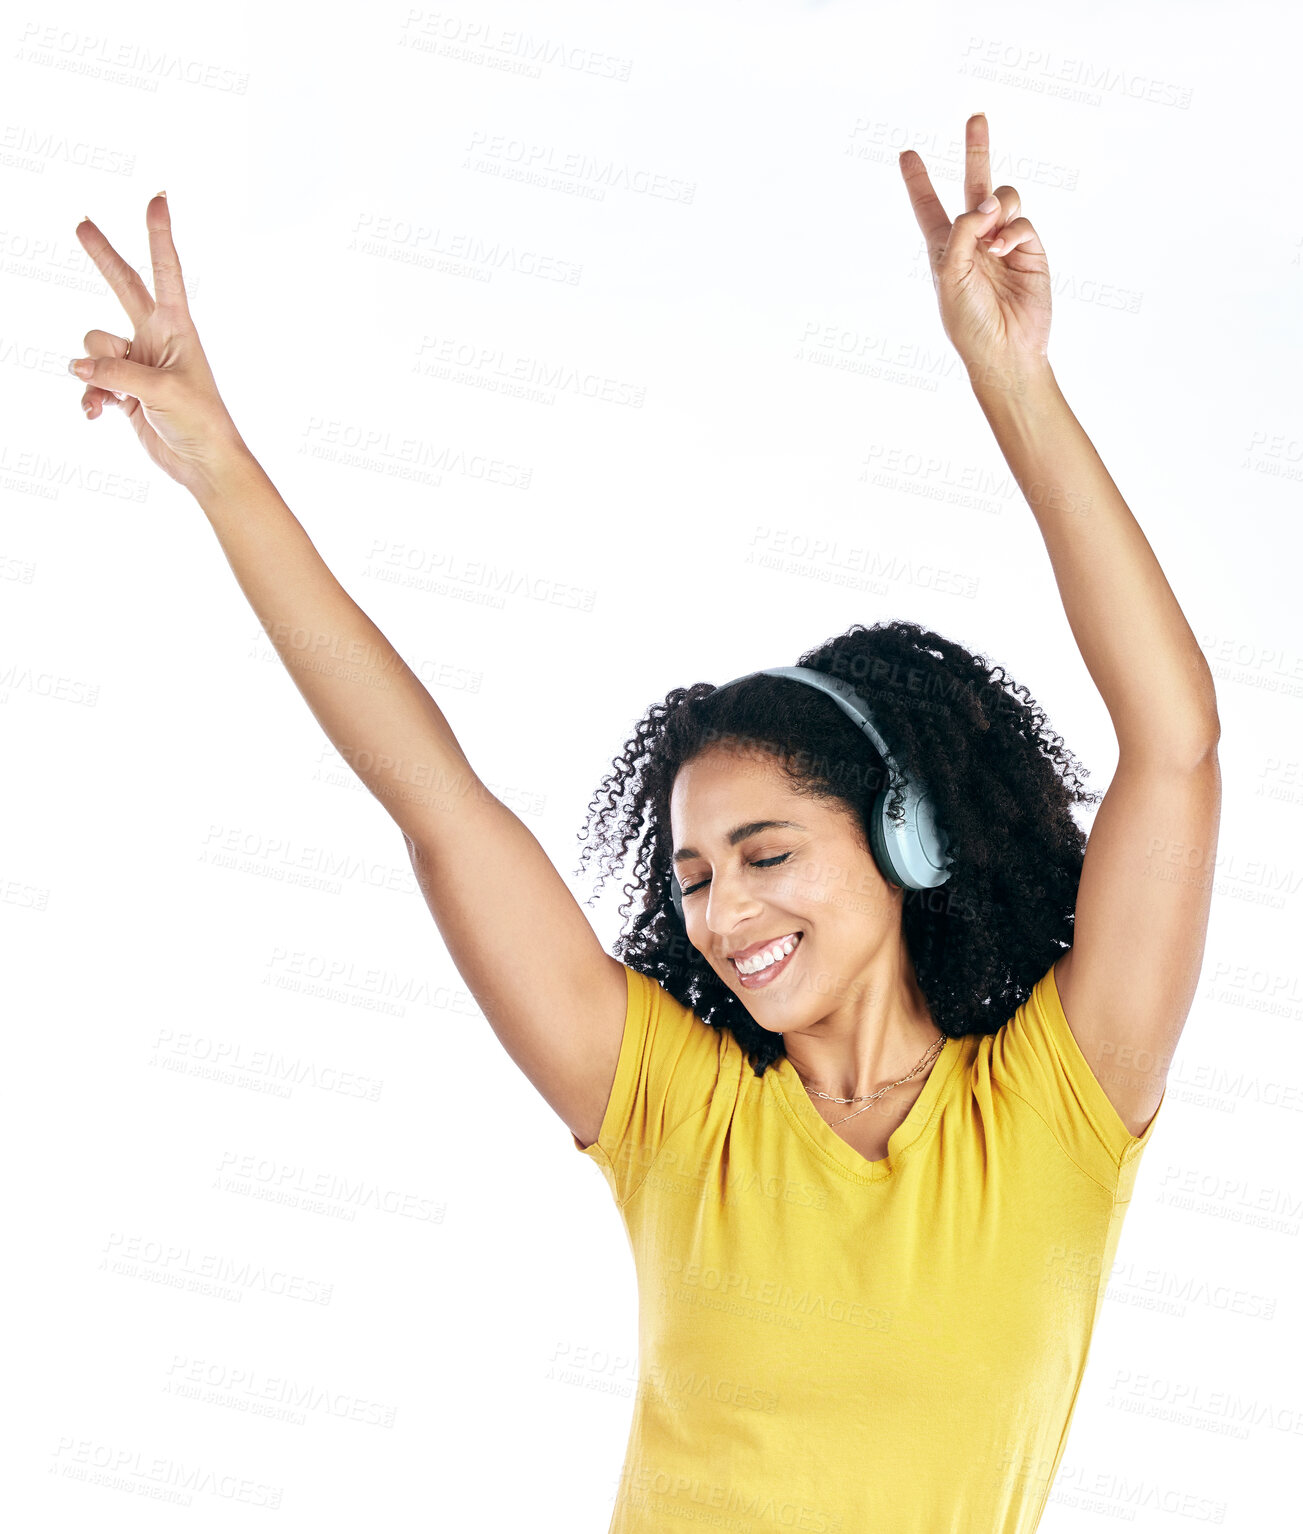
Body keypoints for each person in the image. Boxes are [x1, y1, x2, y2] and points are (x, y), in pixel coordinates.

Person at [68, 112, 1220, 1534]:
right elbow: (438, 803)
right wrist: (225, 473)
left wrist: (1012, 382)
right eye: (691, 874)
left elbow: (1176, 743)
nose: (723, 913)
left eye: (766, 853)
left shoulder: (1058, 1108)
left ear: (905, 834)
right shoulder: (687, 1116)